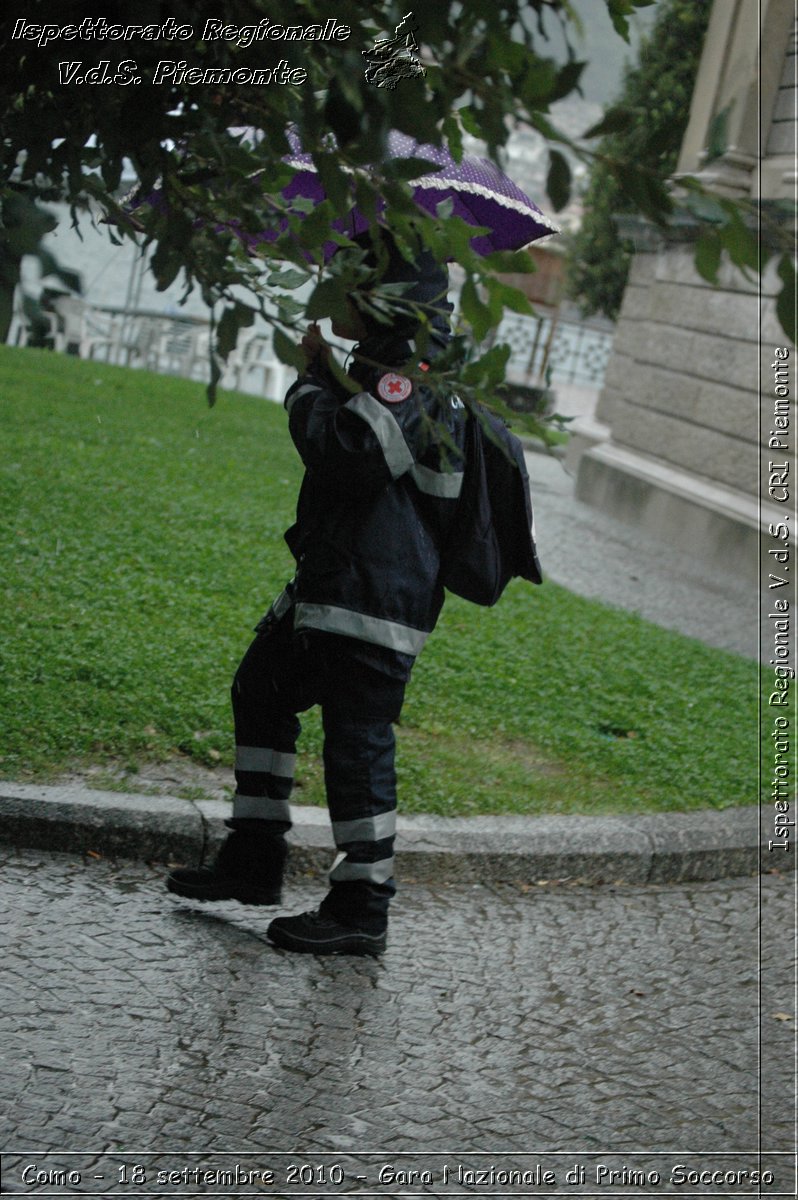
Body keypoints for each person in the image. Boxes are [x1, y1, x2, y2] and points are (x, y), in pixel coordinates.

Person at [166, 234, 467, 955]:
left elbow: (353, 454)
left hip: (375, 599)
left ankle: (362, 908)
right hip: (338, 583)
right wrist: (330, 373)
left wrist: (304, 384)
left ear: (384, 297)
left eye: (348, 284)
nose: (333, 296)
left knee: (357, 746)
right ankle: (253, 857)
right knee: (262, 687)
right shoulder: (388, 369)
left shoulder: (416, 373)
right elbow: (366, 433)